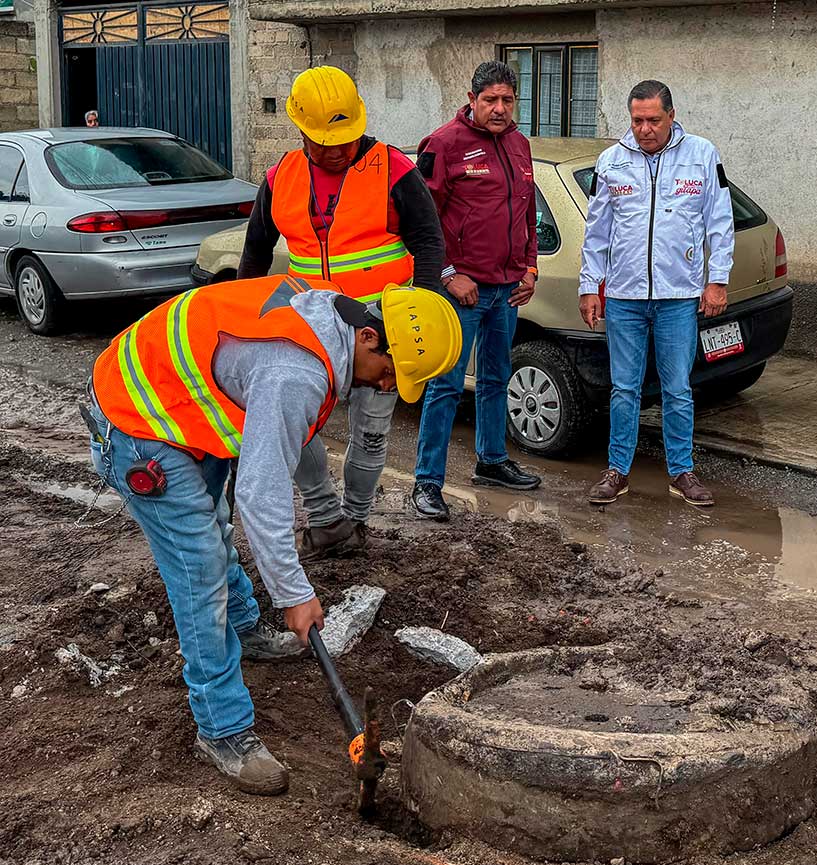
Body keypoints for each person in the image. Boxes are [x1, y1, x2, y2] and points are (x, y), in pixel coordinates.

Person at [84, 276, 461, 794]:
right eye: (392, 373)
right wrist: (293, 594)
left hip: (181, 400)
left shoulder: (332, 311)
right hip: (136, 421)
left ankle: (243, 630)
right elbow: (260, 498)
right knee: (200, 574)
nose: (386, 387)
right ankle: (222, 731)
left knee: (214, 527)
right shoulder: (295, 373)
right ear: (371, 337)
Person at [238, 65, 444, 556]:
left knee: (371, 431)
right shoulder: (280, 177)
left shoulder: (394, 169)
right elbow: (254, 252)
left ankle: (355, 519)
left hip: (381, 324)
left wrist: (424, 301)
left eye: (345, 139)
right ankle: (325, 516)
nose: (336, 149)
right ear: (300, 130)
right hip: (308, 326)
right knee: (300, 423)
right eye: (323, 141)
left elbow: (429, 243)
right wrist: (247, 315)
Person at [579, 80, 733, 508]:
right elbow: (597, 233)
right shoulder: (611, 162)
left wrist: (716, 279)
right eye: (637, 120)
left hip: (678, 295)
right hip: (625, 297)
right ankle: (617, 471)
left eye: (654, 119)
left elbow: (719, 222)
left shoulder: (701, 155)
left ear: (671, 114)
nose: (645, 128)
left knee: (677, 389)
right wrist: (590, 286)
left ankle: (681, 471)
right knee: (623, 389)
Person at [409, 60, 542, 521]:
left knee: (494, 379)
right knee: (445, 386)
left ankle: (492, 461)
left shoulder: (520, 145)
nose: (500, 109)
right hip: (460, 292)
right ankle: (427, 483)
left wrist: (530, 268)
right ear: (472, 99)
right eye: (491, 100)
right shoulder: (443, 145)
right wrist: (447, 274)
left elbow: (527, 212)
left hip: (507, 289)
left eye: (508, 100)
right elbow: (420, 221)